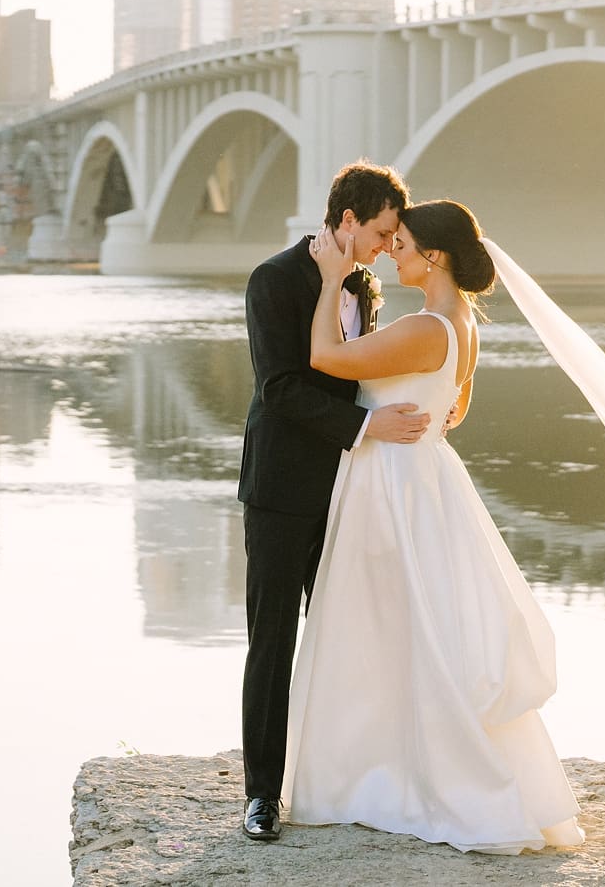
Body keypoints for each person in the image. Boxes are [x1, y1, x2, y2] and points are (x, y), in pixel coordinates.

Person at [282, 198, 584, 853]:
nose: (393, 249)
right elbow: (456, 407)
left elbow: (323, 357)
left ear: (435, 255)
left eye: (404, 242)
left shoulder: (424, 327)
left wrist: (333, 278)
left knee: (389, 626)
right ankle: (398, 764)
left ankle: (390, 773)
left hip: (391, 483)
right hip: (425, 480)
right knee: (423, 628)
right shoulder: (462, 324)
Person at [236, 161, 431, 842]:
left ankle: (344, 778)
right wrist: (366, 428)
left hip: (349, 492)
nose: (384, 245)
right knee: (273, 642)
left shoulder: (365, 286)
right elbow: (280, 389)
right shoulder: (272, 280)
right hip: (282, 492)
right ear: (347, 220)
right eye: (380, 232)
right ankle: (262, 794)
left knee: (347, 631)